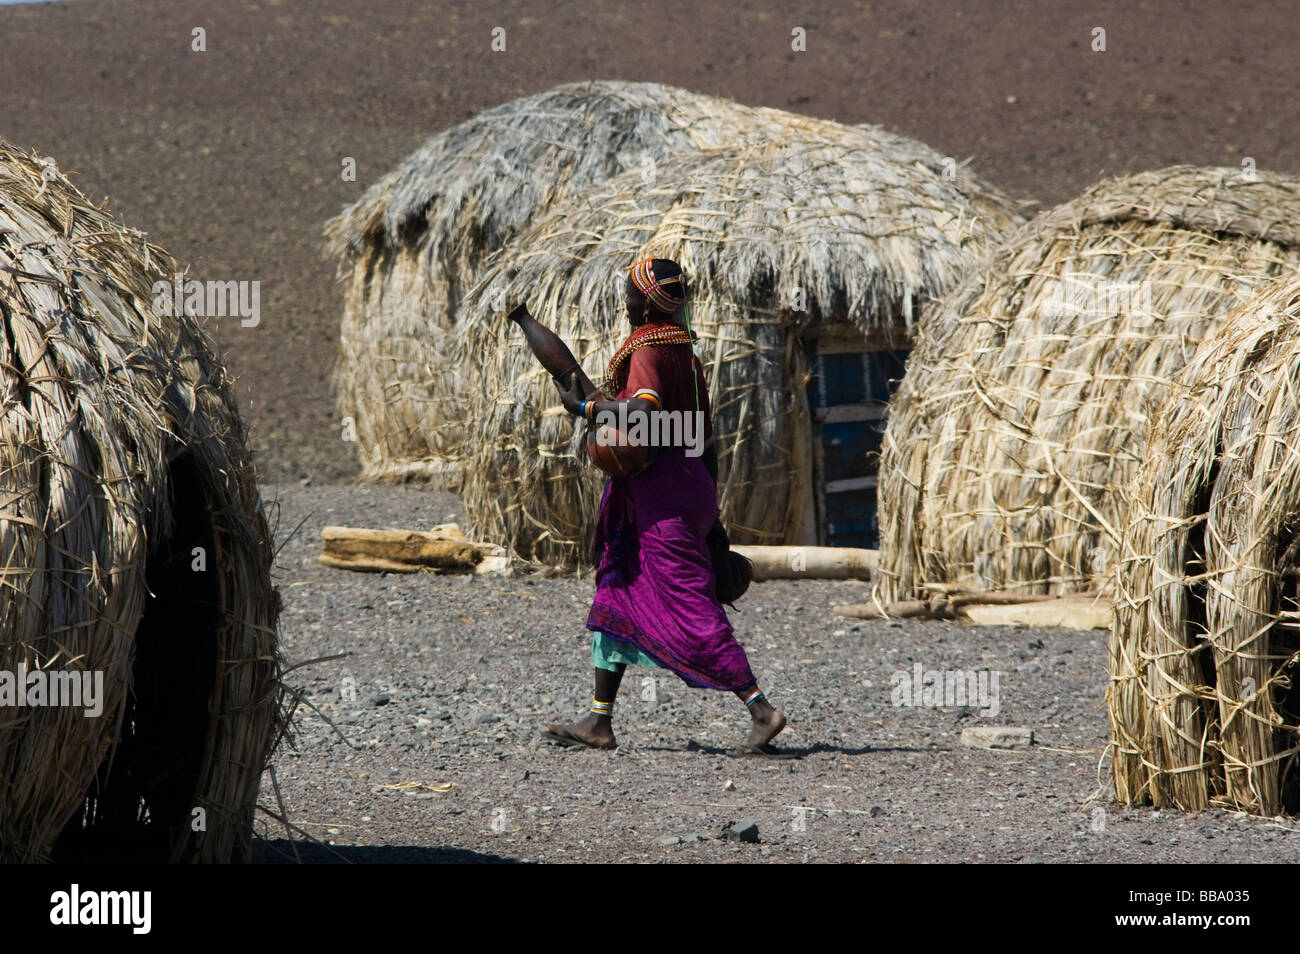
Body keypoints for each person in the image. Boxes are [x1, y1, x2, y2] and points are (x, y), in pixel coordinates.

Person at [542, 257, 786, 753]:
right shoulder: (686, 354)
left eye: (631, 293)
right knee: (615, 589)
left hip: (663, 498)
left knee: (689, 602)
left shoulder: (652, 347)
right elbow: (702, 438)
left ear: (648, 301)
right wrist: (711, 513)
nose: (624, 300)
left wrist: (587, 408)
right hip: (683, 485)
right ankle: (598, 721)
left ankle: (761, 710)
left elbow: (642, 414)